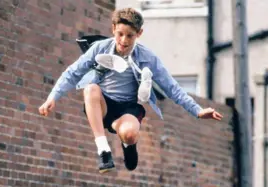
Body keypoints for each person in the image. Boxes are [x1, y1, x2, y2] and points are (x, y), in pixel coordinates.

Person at [39, 8, 223, 174]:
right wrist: (52, 97)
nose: (123, 41)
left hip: (127, 108)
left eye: (130, 36)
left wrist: (198, 110)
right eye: (120, 34)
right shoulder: (100, 48)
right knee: (91, 89)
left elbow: (172, 88)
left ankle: (128, 145)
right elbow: (72, 73)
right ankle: (103, 151)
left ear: (139, 34)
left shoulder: (147, 57)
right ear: (113, 29)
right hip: (102, 104)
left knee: (130, 134)